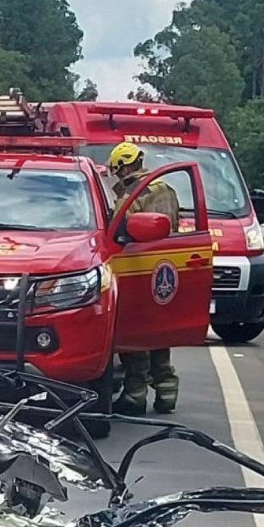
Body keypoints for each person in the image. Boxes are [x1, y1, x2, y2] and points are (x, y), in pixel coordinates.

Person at [106, 142, 182, 415]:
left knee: (135, 334)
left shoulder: (132, 193)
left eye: (117, 170)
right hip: (167, 269)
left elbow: (118, 232)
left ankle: (135, 395)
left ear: (123, 166)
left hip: (136, 268)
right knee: (159, 330)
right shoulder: (166, 190)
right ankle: (166, 391)